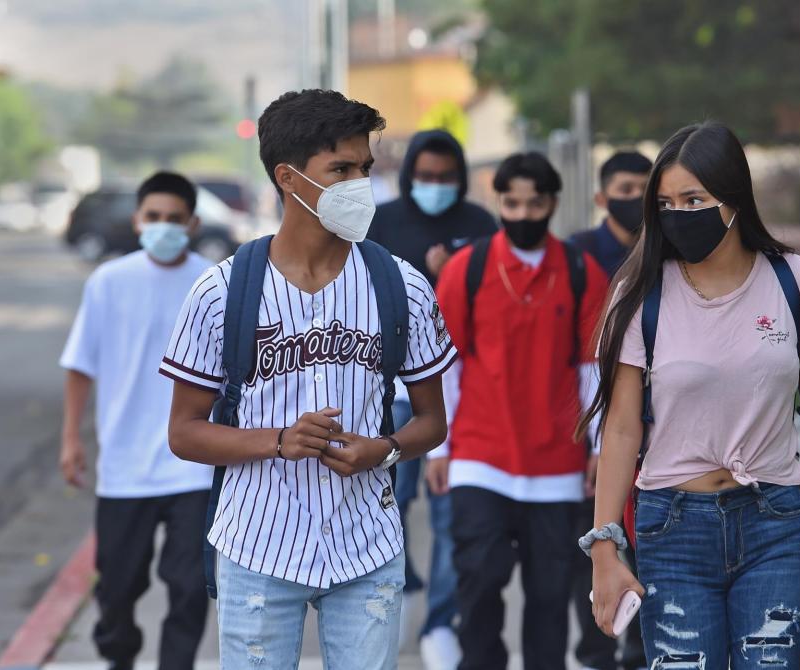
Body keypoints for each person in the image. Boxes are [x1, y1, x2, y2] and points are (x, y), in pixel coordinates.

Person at [160, 89, 456, 670]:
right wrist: (277, 440)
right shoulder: (221, 292)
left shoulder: (402, 286)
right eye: (340, 170)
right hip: (257, 547)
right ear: (289, 178)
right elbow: (184, 433)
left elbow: (433, 422)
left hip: (368, 546)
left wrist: (387, 448)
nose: (359, 184)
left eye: (364, 169)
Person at [580, 121, 800, 669]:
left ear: (735, 199)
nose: (679, 215)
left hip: (775, 525)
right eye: (667, 203)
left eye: (694, 199)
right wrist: (605, 546)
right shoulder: (640, 293)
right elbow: (622, 428)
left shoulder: (795, 280)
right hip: (671, 529)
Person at [432, 152, 608, 670]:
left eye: (535, 203)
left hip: (557, 464)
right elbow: (447, 366)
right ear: (499, 203)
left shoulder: (581, 272)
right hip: (480, 457)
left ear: (552, 204)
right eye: (512, 203)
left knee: (550, 599)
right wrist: (441, 447)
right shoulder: (468, 270)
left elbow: (591, 368)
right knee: (479, 583)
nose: (523, 214)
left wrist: (598, 446)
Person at [59, 171, 213, 670]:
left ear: (192, 223)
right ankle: (118, 658)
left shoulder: (213, 281)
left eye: (174, 219)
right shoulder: (108, 281)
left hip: (194, 462)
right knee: (118, 587)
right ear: (136, 220)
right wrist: (71, 440)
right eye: (153, 218)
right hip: (125, 466)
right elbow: (82, 364)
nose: (162, 228)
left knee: (190, 585)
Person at [368, 128, 497, 667]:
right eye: (425, 176)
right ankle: (390, 602)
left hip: (458, 393)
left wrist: (454, 279)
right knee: (388, 508)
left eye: (446, 177)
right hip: (387, 392)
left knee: (449, 515)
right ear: (408, 175)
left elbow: (495, 305)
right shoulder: (382, 222)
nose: (435, 186)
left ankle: (440, 621)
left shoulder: (480, 225)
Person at [568, 151, 652, 670]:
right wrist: (593, 439)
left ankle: (641, 652)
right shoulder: (580, 256)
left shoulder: (665, 255)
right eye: (624, 188)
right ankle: (598, 652)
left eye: (644, 190)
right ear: (602, 197)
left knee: (647, 547)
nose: (634, 200)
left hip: (651, 426)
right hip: (591, 424)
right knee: (597, 545)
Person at [570, 151, 652, 278]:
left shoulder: (662, 252)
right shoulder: (578, 253)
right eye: (626, 189)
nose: (639, 196)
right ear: (601, 199)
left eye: (647, 188)